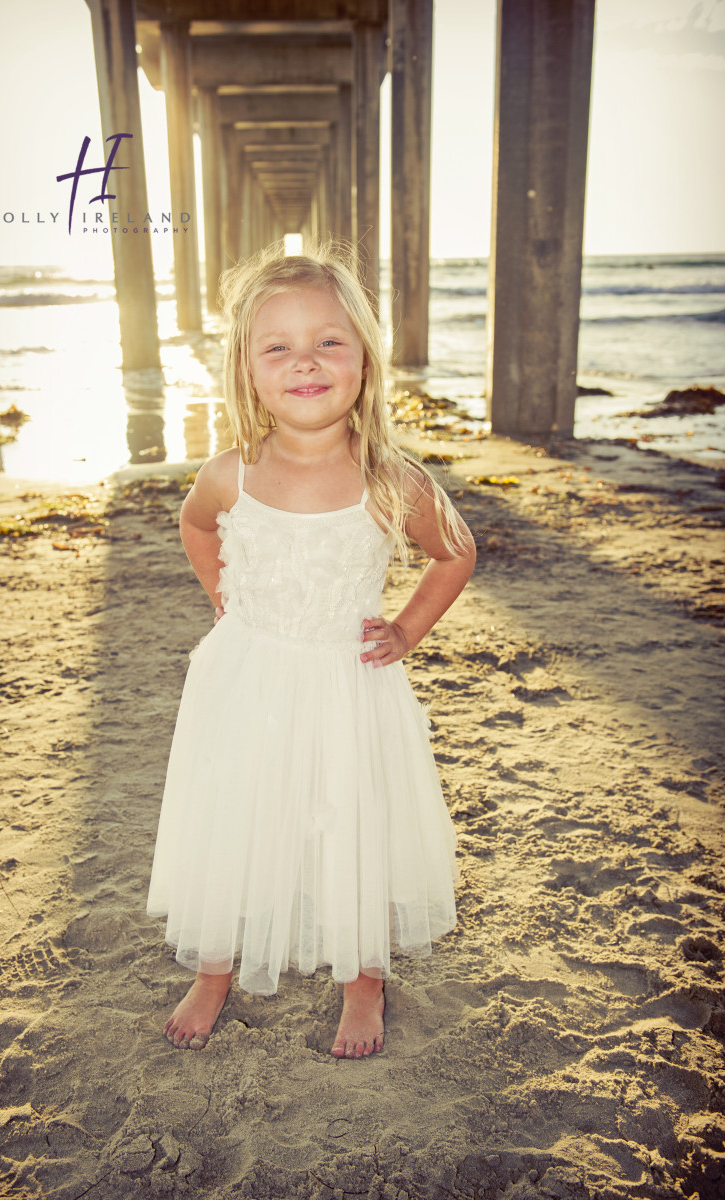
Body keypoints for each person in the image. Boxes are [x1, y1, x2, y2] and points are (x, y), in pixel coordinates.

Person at [147, 241, 476, 1059]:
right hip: (245, 679)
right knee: (238, 814)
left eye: (328, 341)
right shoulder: (232, 473)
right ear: (249, 372)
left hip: (344, 686)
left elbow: (456, 553)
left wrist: (405, 630)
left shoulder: (391, 480)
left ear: (364, 357)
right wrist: (225, 595)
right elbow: (195, 524)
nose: (306, 361)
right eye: (279, 347)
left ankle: (363, 982)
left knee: (347, 822)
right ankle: (215, 966)